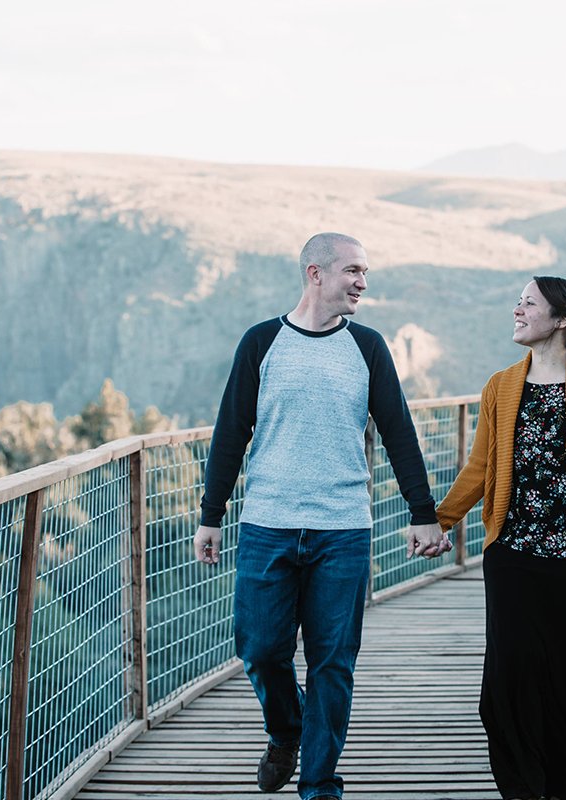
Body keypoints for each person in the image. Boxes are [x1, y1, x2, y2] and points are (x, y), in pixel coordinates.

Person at [193, 232, 449, 800]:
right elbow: (231, 432)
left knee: (333, 662)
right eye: (353, 270)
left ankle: (320, 784)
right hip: (267, 525)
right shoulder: (261, 342)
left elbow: (399, 433)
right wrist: (212, 515)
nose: (362, 282)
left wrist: (423, 513)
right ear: (316, 273)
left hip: (343, 530)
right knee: (260, 650)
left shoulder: (369, 347)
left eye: (365, 272)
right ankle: (287, 730)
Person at [435, 276, 566, 800]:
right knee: (507, 687)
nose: (517, 309)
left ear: (562, 319)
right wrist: (441, 519)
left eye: (528, 303)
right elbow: (480, 466)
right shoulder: (500, 386)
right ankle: (526, 788)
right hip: (514, 561)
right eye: (518, 301)